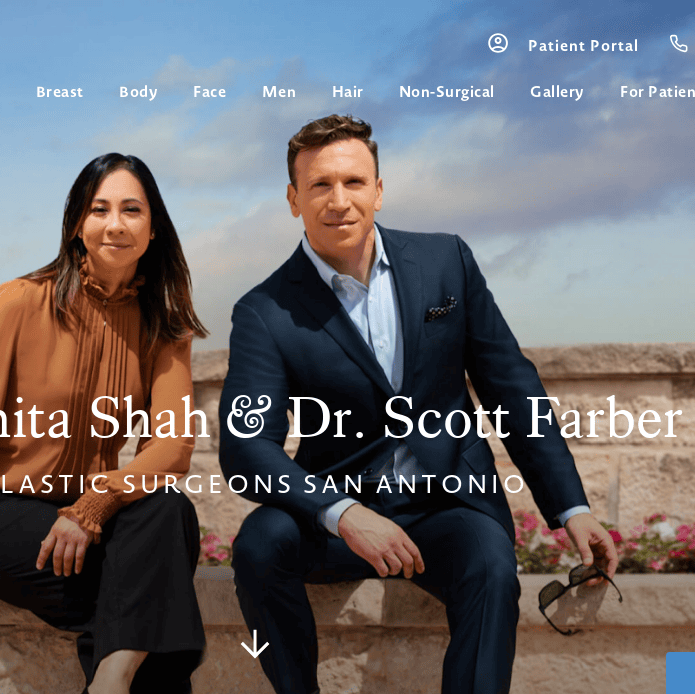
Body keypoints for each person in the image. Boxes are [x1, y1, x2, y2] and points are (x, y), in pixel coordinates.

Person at [218, 115, 618, 694]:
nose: (339, 201)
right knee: (259, 543)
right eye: (320, 186)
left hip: (449, 506)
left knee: (491, 565)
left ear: (378, 189)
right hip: (338, 513)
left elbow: (511, 387)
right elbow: (244, 444)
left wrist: (570, 507)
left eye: (354, 183)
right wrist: (344, 514)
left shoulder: (446, 262)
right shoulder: (264, 311)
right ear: (292, 199)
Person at [0, 153, 209, 694]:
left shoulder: (163, 325)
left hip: (84, 519)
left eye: (132, 210)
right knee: (153, 585)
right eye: (99, 209)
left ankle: (109, 682)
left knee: (170, 511)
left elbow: (172, 446)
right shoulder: (16, 303)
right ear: (77, 224)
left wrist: (95, 503)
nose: (116, 224)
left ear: (154, 228)